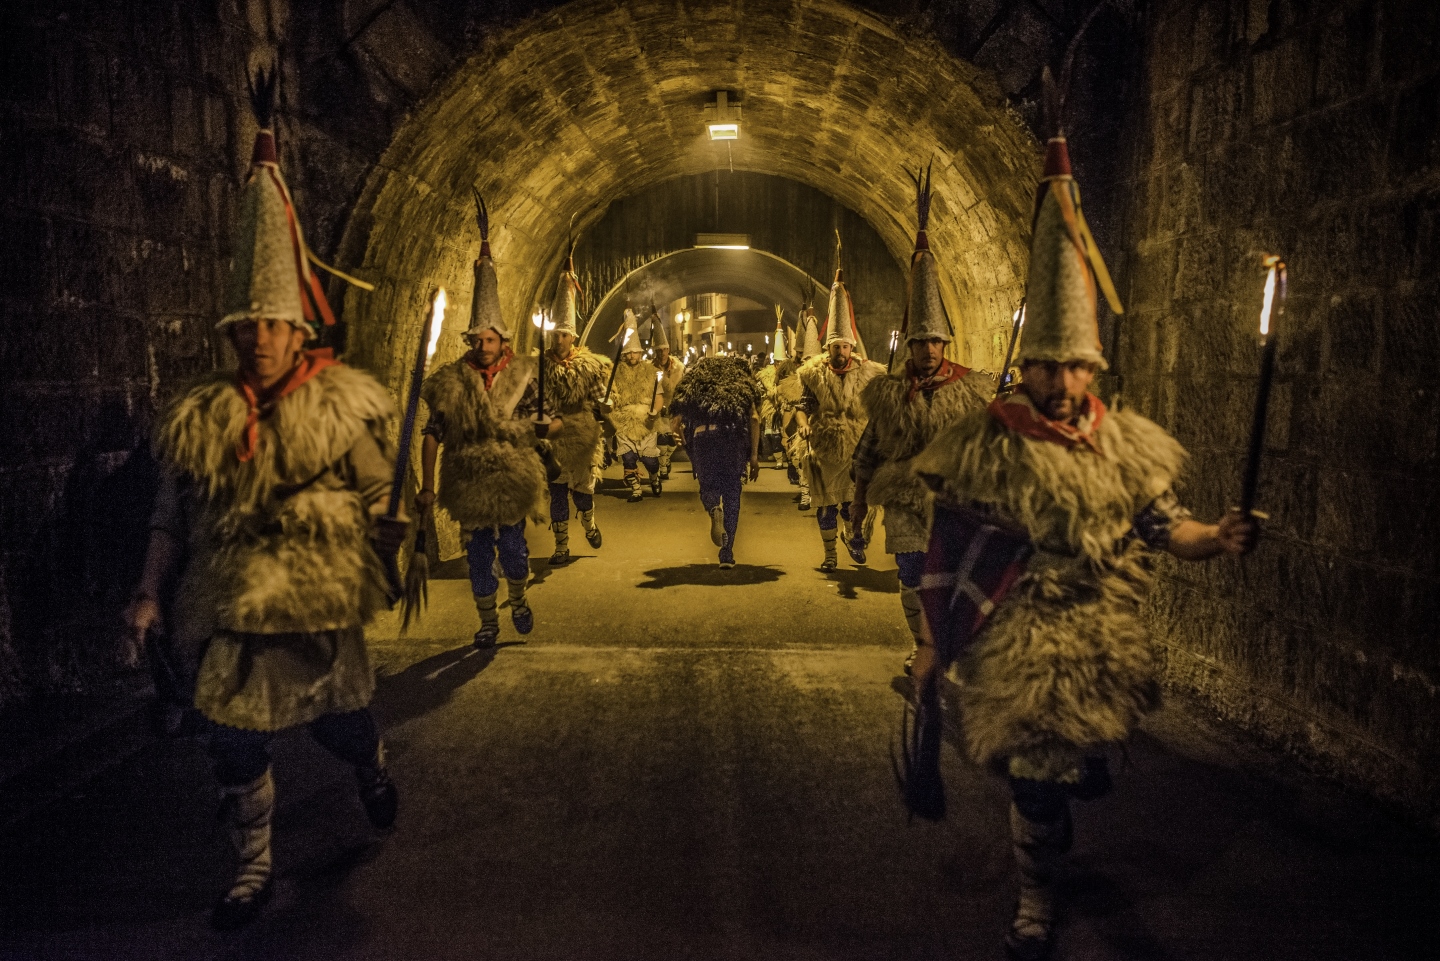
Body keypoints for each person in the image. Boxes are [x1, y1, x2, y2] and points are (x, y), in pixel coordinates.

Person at [906, 127, 1260, 960]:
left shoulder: (1122, 446)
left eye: (1076, 367)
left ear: (1093, 368)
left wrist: (1217, 536)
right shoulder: (990, 444)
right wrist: (929, 641)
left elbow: (1163, 527)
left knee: (1077, 776)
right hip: (1017, 635)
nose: (1062, 383)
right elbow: (948, 545)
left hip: (1095, 636)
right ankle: (1035, 903)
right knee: (1035, 777)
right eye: (1048, 366)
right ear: (1026, 366)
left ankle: (1049, 842)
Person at [124, 76, 403, 930]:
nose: (258, 338)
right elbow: (172, 515)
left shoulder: (335, 405)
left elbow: (378, 486)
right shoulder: (204, 416)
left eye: (272, 324)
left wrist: (388, 524)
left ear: (297, 329)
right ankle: (251, 869)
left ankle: (370, 762)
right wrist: (149, 591)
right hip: (234, 608)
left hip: (313, 606)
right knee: (234, 740)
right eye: (245, 326)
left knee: (339, 726)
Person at [853, 168, 997, 672]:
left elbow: (990, 447)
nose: (929, 350)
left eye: (936, 342)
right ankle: (923, 645)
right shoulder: (891, 395)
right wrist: (858, 506)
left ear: (944, 343)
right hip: (906, 502)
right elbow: (868, 452)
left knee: (954, 580)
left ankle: (952, 642)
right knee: (912, 575)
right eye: (921, 343)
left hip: (955, 502)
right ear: (911, 345)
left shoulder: (971, 391)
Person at [417, 206, 553, 649]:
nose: (482, 345)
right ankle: (488, 622)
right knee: (477, 558)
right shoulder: (453, 382)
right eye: (476, 339)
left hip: (510, 480)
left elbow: (544, 423)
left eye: (489, 339)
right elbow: (433, 432)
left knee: (513, 552)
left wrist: (544, 427)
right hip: (469, 481)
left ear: (503, 341)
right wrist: (428, 486)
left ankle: (518, 599)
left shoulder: (522, 377)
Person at [795, 260, 885, 570]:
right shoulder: (814, 375)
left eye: (846, 347)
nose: (841, 352)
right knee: (825, 509)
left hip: (856, 451)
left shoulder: (867, 373)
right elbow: (803, 408)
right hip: (824, 449)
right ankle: (830, 555)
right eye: (836, 347)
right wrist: (804, 426)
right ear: (828, 347)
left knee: (850, 505)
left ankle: (851, 536)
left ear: (851, 346)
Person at [540, 255, 610, 565]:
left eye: (564, 335)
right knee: (557, 495)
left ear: (573, 337)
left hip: (581, 437)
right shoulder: (542, 367)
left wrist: (605, 405)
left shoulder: (588, 367)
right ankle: (561, 547)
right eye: (555, 335)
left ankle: (589, 524)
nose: (559, 340)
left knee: (581, 496)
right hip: (554, 437)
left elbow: (599, 398)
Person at [668, 355, 762, 568]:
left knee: (708, 486)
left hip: (704, 437)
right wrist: (754, 456)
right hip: (732, 439)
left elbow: (676, 420)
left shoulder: (696, 382)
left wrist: (683, 442)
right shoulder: (742, 382)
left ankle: (713, 509)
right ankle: (727, 553)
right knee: (732, 494)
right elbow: (754, 418)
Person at [609, 310, 664, 501]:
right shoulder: (615, 374)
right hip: (624, 423)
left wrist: (654, 411)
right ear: (624, 354)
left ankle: (654, 478)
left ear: (640, 353)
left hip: (646, 423)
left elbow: (658, 397)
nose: (632, 355)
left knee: (650, 461)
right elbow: (610, 397)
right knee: (628, 459)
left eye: (635, 352)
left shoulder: (651, 372)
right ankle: (636, 489)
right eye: (629, 352)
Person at [776, 302, 820, 509]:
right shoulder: (793, 382)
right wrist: (788, 433)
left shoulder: (825, 379)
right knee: (804, 459)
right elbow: (792, 407)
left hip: (826, 426)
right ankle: (805, 493)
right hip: (803, 428)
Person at [650, 306, 686, 480]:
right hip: (658, 409)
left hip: (674, 408)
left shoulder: (679, 368)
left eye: (664, 349)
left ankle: (666, 459)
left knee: (672, 441)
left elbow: (683, 387)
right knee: (661, 441)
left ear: (668, 349)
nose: (662, 353)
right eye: (658, 350)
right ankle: (663, 467)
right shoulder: (650, 368)